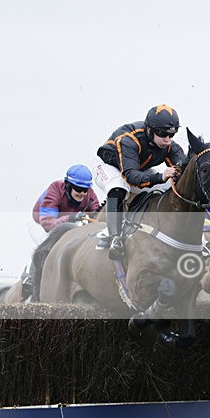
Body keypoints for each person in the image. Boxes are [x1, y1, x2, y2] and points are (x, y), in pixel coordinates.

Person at [92, 104, 187, 260]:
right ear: (149, 130)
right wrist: (159, 177)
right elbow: (130, 177)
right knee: (118, 187)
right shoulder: (129, 140)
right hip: (111, 168)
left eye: (172, 134)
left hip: (137, 168)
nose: (167, 140)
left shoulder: (170, 145)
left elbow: (182, 172)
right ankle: (114, 236)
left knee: (170, 186)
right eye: (163, 134)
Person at [23, 164, 101, 299]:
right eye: (78, 189)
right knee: (47, 243)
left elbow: (96, 216)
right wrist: (70, 218)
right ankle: (30, 280)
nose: (82, 193)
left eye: (85, 189)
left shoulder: (90, 195)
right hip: (40, 224)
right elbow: (47, 223)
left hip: (68, 226)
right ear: (67, 185)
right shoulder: (55, 189)